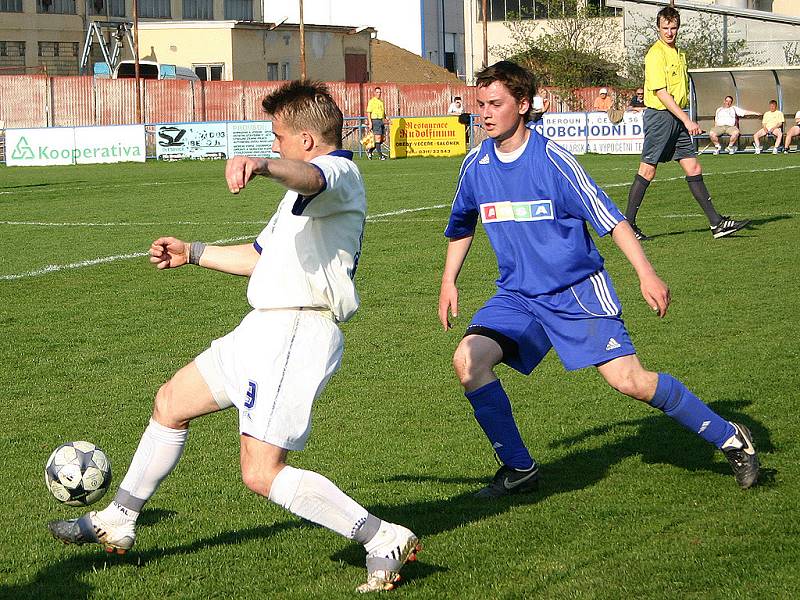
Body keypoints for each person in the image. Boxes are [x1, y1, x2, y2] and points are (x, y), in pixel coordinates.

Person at [47, 80, 420, 594]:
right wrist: (193, 252)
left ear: (307, 139)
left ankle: (383, 537)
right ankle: (120, 517)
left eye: (278, 137)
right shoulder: (298, 196)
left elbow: (311, 175)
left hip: (296, 330)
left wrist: (264, 166)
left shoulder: (339, 172)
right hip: (262, 327)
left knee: (260, 473)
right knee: (171, 401)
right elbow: (258, 257)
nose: (273, 145)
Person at [437, 60, 759, 501]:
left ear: (524, 105)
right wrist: (448, 280)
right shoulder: (475, 165)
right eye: (481, 105)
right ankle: (518, 468)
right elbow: (462, 224)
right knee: (469, 362)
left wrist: (646, 273)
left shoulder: (553, 160)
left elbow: (613, 221)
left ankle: (729, 437)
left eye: (496, 104)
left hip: (576, 292)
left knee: (630, 381)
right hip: (517, 296)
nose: (486, 113)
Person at [624, 6, 750, 240]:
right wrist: (687, 120)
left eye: (673, 28)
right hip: (661, 117)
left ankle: (717, 224)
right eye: (665, 28)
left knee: (693, 167)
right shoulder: (655, 54)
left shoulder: (679, 54)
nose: (669, 32)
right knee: (648, 170)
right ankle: (627, 225)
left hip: (677, 116)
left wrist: (683, 118)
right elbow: (661, 93)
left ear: (678, 27)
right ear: (658, 28)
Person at [366, 86, 388, 160]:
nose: (379, 94)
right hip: (375, 120)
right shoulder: (372, 101)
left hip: (381, 121)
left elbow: (383, 112)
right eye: (377, 92)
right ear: (374, 93)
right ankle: (381, 156)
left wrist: (387, 118)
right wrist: (370, 122)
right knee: (378, 138)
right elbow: (369, 112)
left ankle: (370, 150)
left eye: (380, 92)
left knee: (382, 139)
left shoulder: (381, 102)